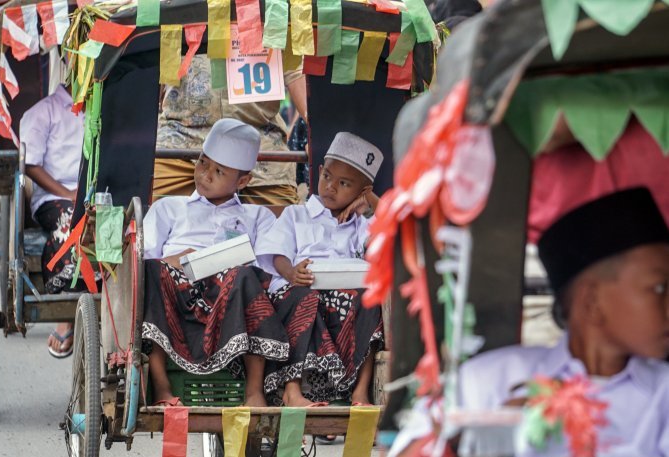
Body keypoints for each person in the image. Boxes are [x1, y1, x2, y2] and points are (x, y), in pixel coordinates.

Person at [393, 187, 669, 456]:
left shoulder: (664, 393)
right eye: (659, 288)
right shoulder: (487, 381)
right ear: (592, 302)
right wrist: (469, 440)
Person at [142, 118, 289, 408]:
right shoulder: (169, 209)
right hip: (178, 297)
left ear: (243, 181)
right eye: (203, 163)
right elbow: (143, 258)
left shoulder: (257, 217)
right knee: (151, 271)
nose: (205, 175)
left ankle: (254, 391)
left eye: (219, 171)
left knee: (246, 275)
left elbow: (270, 274)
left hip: (231, 302)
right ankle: (161, 386)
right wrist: (176, 260)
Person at [256, 132, 384, 407]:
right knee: (304, 297)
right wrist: (291, 273)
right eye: (327, 176)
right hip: (299, 289)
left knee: (372, 299)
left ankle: (360, 392)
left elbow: (390, 233)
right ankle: (292, 391)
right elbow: (277, 253)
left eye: (344, 184)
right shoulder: (296, 214)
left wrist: (370, 202)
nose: (330, 187)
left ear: (362, 190)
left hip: (343, 296)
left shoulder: (362, 225)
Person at [153, 55, 307, 205]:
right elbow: (148, 65)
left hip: (260, 145)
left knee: (281, 225)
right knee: (144, 210)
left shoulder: (277, 29)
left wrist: (316, 137)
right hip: (179, 140)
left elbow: (295, 72)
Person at [20, 84, 84, 359]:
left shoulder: (101, 107)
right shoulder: (42, 112)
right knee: (70, 218)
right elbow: (30, 165)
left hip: (93, 196)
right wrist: (68, 193)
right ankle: (65, 309)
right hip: (52, 199)